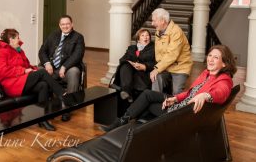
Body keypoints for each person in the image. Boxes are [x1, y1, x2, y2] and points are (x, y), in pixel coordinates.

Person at [101, 45, 237, 132]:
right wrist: (175, 98)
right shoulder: (206, 73)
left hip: (180, 114)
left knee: (146, 104)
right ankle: (124, 121)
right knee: (147, 94)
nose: (211, 59)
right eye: (210, 55)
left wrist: (206, 95)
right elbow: (190, 93)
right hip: (180, 103)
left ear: (224, 63)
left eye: (216, 57)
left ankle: (124, 123)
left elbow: (222, 92)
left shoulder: (224, 80)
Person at [0, 29, 70, 131]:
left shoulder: (18, 50)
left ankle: (43, 119)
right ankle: (63, 95)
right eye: (17, 38)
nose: (20, 40)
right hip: (11, 85)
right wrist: (24, 71)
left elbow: (27, 65)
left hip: (21, 81)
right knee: (42, 72)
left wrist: (33, 69)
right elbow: (3, 71)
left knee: (43, 85)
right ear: (11, 39)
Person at [39, 15, 85, 121]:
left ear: (72, 24)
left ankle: (66, 108)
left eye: (67, 24)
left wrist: (65, 67)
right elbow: (42, 51)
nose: (65, 26)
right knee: (39, 71)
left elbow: (77, 55)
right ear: (59, 25)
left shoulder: (78, 37)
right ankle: (46, 107)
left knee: (74, 72)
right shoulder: (53, 35)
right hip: (52, 68)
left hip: (67, 69)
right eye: (63, 24)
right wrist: (46, 63)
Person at [150, 8, 193, 95]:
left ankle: (175, 108)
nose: (152, 23)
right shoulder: (158, 31)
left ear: (162, 21)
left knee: (176, 92)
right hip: (166, 66)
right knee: (156, 78)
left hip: (180, 67)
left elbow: (172, 55)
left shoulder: (176, 31)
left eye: (154, 21)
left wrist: (157, 69)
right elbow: (160, 53)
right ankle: (155, 104)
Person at [112, 29, 155, 102]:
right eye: (143, 35)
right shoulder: (132, 48)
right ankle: (127, 91)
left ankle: (127, 92)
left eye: (147, 35)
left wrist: (144, 66)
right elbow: (122, 59)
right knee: (125, 65)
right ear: (138, 39)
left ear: (150, 38)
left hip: (143, 73)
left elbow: (155, 63)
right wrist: (131, 63)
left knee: (131, 74)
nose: (146, 37)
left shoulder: (153, 48)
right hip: (130, 71)